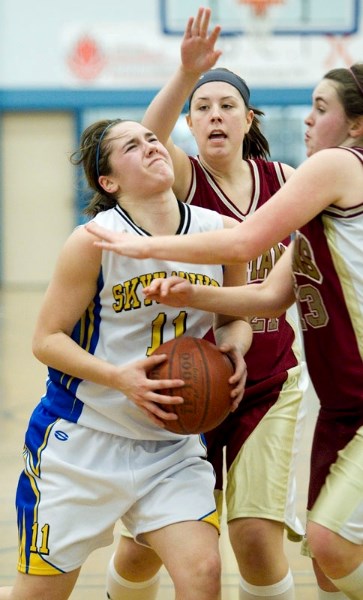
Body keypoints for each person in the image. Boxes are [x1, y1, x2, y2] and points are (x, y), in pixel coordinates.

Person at [85, 63, 363, 600]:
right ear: (188, 124)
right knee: (147, 548)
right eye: (202, 107)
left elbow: (254, 270)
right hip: (188, 380)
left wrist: (148, 251)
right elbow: (149, 141)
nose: (215, 115)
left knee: (258, 539)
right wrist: (186, 73)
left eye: (227, 105)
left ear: (248, 118)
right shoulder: (184, 178)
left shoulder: (293, 181)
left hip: (268, 382)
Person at [0, 118, 253, 600]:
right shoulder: (92, 241)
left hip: (169, 446)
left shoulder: (219, 232)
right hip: (83, 441)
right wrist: (120, 378)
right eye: (132, 146)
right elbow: (46, 339)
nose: (151, 147)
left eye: (153, 138)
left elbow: (234, 318)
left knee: (202, 574)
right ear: (108, 181)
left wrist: (235, 348)